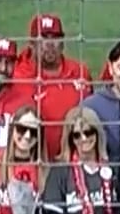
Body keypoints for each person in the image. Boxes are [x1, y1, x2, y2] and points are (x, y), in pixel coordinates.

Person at [11, 14, 92, 159]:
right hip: (33, 162)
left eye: (54, 38)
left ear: (62, 43)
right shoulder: (18, 76)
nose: (49, 44)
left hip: (73, 161)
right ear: (32, 44)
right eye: (43, 38)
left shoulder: (80, 73)